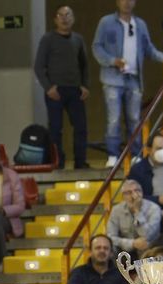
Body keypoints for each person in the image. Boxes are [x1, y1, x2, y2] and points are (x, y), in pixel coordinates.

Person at [93, 0, 163, 166]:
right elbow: (97, 47)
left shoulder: (140, 24)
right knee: (114, 118)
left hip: (133, 78)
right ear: (117, 2)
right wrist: (112, 60)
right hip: (112, 78)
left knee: (134, 118)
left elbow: (149, 49)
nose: (126, 3)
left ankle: (136, 154)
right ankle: (113, 154)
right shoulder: (106, 22)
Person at [37, 6, 92, 170]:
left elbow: (85, 65)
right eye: (60, 15)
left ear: (73, 19)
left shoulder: (78, 39)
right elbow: (39, 66)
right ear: (55, 19)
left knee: (81, 128)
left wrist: (85, 86)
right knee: (55, 130)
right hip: (56, 92)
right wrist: (48, 88)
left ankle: (80, 162)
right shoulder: (48, 39)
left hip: (75, 91)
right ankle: (58, 162)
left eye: (68, 15)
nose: (64, 18)